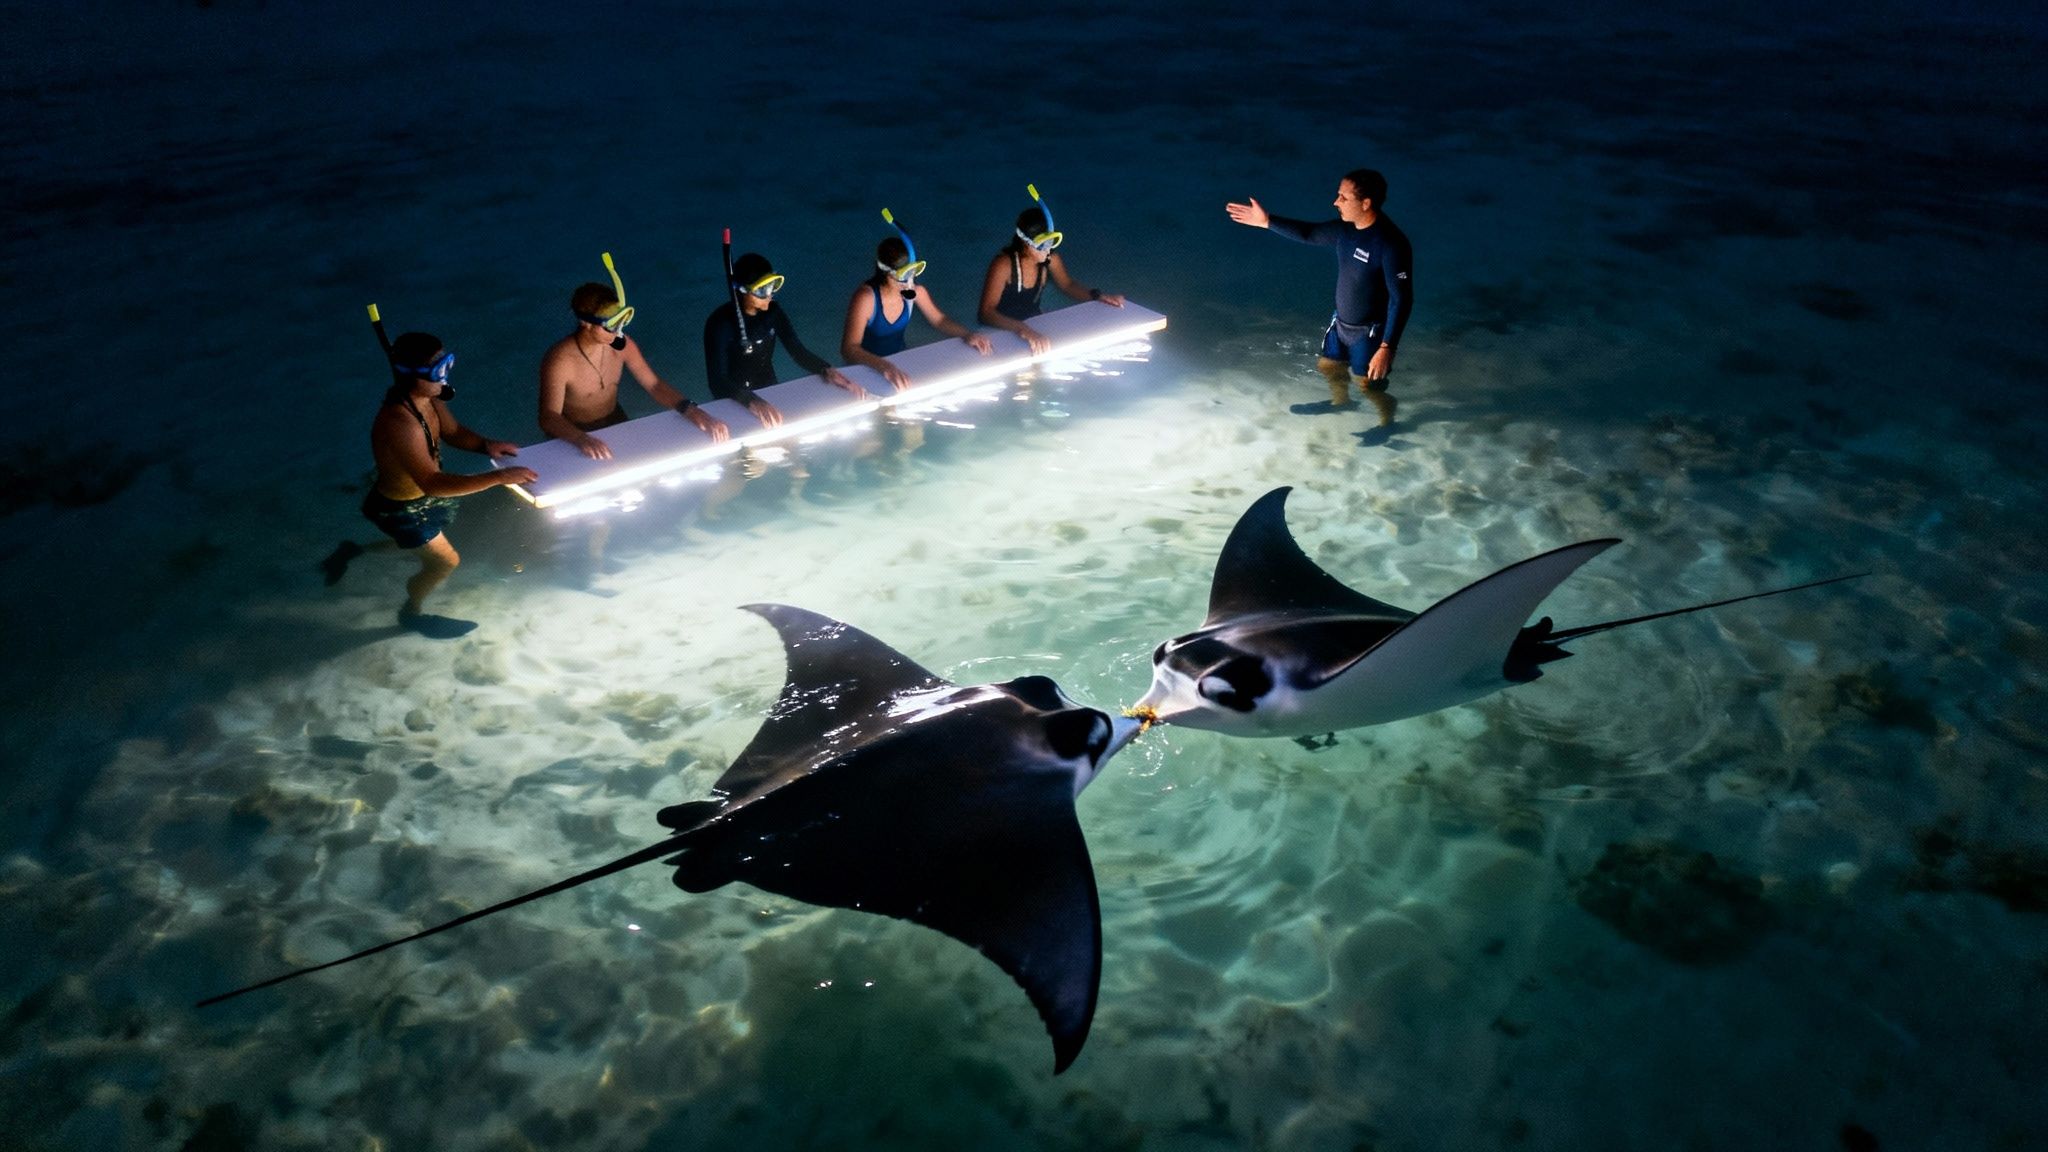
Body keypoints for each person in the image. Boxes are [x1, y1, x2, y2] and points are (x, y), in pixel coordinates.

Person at [322, 332, 537, 639]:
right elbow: (433, 482)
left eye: (447, 363)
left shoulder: (428, 398)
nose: (446, 375)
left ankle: (352, 550)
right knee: (445, 561)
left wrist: (485, 445)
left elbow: (453, 432)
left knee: (413, 546)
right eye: (438, 369)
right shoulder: (400, 423)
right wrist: (499, 478)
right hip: (401, 509)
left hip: (424, 499)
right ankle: (410, 613)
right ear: (413, 375)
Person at [1227, 168, 1413, 426]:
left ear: (1366, 203)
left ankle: (1387, 420)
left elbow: (1402, 299)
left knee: (1367, 385)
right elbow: (1309, 233)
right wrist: (1266, 221)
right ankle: (1341, 402)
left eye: (1343, 197)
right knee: (1329, 366)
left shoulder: (1391, 244)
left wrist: (1387, 348)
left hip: (1369, 332)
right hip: (1340, 323)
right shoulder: (1345, 230)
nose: (1336, 202)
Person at [539, 274, 729, 461]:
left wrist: (692, 411)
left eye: (621, 321)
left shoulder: (621, 345)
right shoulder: (561, 361)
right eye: (611, 325)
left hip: (615, 420)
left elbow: (654, 385)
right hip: (574, 432)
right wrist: (581, 439)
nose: (618, 332)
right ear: (586, 323)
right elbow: (548, 417)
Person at [703, 252, 864, 426]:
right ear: (743, 291)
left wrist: (826, 369)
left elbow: (797, 351)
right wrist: (751, 401)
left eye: (772, 286)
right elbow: (717, 382)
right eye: (762, 290)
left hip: (769, 389)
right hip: (733, 399)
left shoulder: (773, 312)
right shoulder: (720, 324)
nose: (769, 295)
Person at [841, 223, 994, 391]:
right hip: (865, 369)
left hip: (897, 364)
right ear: (886, 272)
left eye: (913, 273)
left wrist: (967, 334)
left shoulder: (915, 291)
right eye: (904, 275)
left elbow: (939, 320)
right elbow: (849, 349)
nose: (909, 282)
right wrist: (884, 366)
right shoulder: (866, 299)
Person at [978, 189, 1125, 355]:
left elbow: (1067, 284)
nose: (1047, 250)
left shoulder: (1050, 259)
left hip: (1032, 324)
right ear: (1025, 243)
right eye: (1042, 245)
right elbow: (986, 313)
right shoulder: (1004, 265)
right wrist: (1022, 329)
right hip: (1001, 329)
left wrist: (1097, 297)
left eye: (1051, 242)